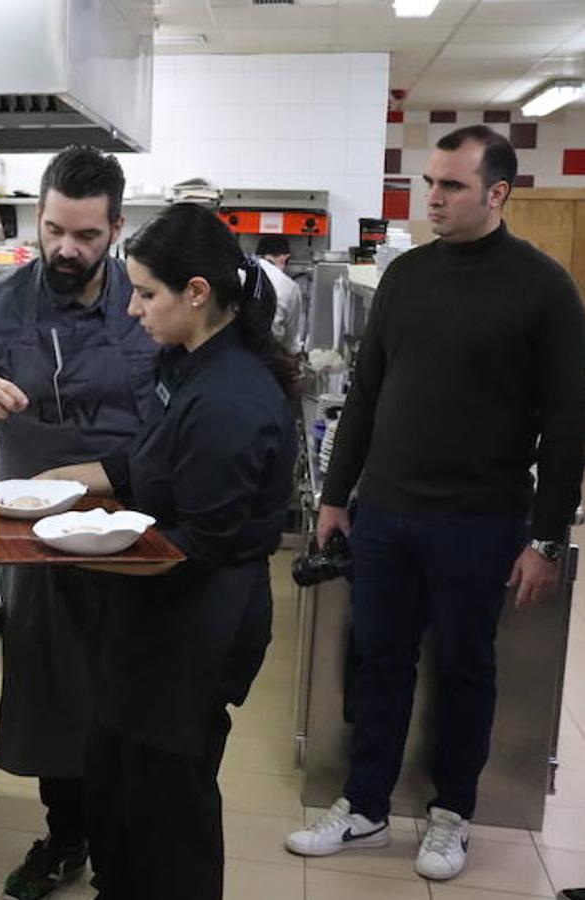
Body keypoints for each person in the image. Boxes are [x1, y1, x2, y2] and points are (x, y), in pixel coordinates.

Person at [284, 126, 585, 881]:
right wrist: (333, 497)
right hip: (385, 512)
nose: (433, 198)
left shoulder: (544, 289)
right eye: (430, 183)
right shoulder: (406, 277)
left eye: (450, 186)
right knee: (378, 661)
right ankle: (363, 806)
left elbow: (570, 423)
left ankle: (452, 815)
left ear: (497, 193)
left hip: (481, 522)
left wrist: (547, 538)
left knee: (463, 669)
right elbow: (366, 395)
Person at [41, 202, 297, 899]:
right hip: (150, 620)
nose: (133, 309)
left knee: (166, 805)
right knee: (117, 782)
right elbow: (144, 461)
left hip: (195, 627)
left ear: (197, 293)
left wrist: (65, 550)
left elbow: (197, 545)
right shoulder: (186, 365)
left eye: (147, 294)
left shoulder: (232, 399)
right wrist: (52, 488)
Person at [0, 146, 158, 899]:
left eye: (87, 236)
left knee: (135, 687)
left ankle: (130, 842)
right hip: (34, 538)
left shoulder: (147, 303)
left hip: (138, 533)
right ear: (39, 215)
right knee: (54, 693)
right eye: (55, 229)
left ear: (117, 229)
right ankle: (67, 838)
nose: (67, 249)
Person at [255, 234, 304, 353]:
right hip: (267, 353)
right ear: (285, 258)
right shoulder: (290, 286)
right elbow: (292, 340)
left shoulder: (240, 271)